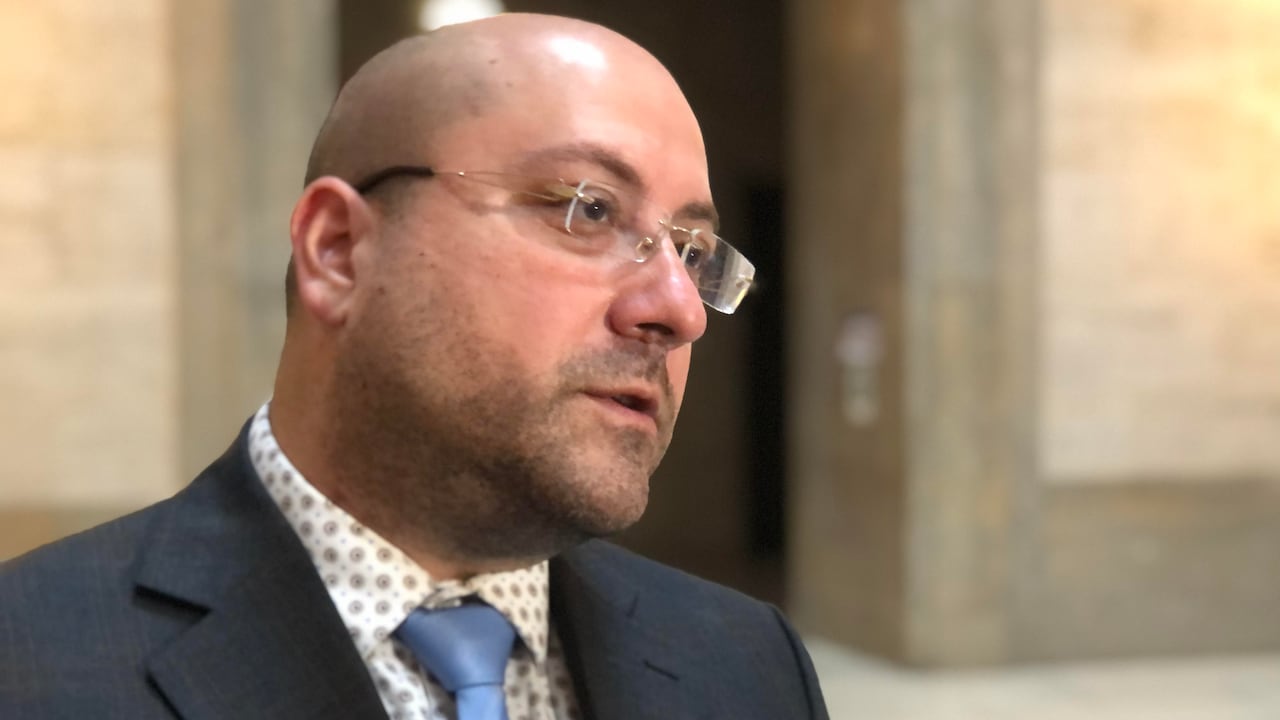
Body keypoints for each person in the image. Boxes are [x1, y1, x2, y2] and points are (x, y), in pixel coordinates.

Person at [0, 13, 828, 720]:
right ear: (339, 252)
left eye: (693, 251)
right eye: (587, 207)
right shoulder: (31, 661)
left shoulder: (748, 666)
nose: (679, 310)